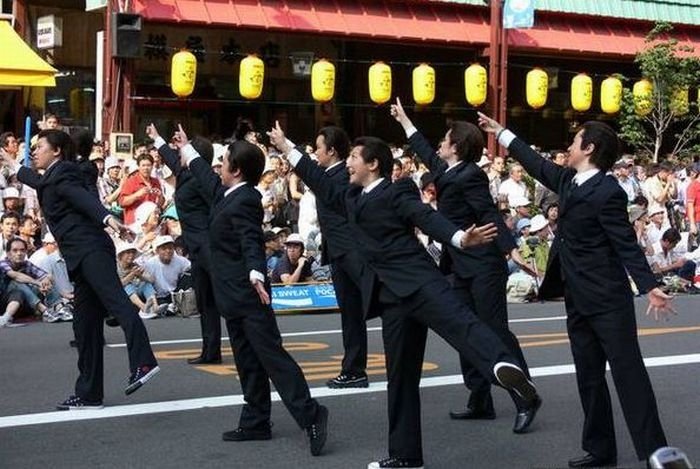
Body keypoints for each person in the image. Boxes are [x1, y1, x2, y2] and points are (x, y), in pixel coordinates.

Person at [271, 124, 540, 469]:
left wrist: (459, 238)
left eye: (353, 157)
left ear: (374, 164)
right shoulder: (351, 197)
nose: (347, 163)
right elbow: (318, 179)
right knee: (400, 378)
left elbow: (426, 219)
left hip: (420, 282)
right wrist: (286, 146)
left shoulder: (399, 192)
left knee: (463, 326)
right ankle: (405, 455)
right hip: (391, 298)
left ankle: (510, 376)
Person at [478, 113, 674, 468]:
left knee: (630, 376)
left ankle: (655, 453)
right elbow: (535, 163)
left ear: (590, 148)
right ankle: (600, 450)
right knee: (588, 376)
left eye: (574, 140)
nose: (568, 146)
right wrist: (502, 133)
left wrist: (650, 286)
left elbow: (624, 244)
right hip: (577, 296)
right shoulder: (569, 181)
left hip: (608, 300)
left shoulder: (608, 191)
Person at [176, 127, 329, 457]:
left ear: (237, 170)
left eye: (225, 161)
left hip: (248, 294)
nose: (219, 165)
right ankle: (256, 419)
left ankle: (312, 414)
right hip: (231, 295)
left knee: (272, 358)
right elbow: (203, 175)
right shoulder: (226, 193)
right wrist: (187, 148)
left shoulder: (246, 199)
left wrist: (257, 274)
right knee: (246, 360)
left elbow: (250, 241)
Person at [390, 98, 538, 433]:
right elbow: (426, 152)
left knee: (495, 331)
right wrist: (404, 122)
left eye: (444, 140)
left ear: (455, 146)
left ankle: (524, 396)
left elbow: (487, 212)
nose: (439, 144)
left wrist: (509, 249)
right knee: (463, 331)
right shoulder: (448, 171)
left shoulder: (470, 175)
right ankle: (480, 399)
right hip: (459, 265)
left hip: (483, 264)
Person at [1, 129, 159, 409]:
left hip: (91, 250)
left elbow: (84, 200)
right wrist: (14, 165)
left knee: (118, 303)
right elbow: (37, 181)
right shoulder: (52, 176)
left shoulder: (64, 174)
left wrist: (109, 219)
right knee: (84, 326)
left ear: (58, 151)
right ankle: (88, 394)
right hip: (80, 256)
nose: (34, 151)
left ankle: (144, 362)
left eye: (40, 147)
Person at [147, 124, 222, 365]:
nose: (178, 155)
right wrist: (157, 138)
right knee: (204, 301)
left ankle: (247, 345)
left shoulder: (203, 180)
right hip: (196, 249)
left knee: (224, 299)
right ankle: (211, 350)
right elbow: (171, 159)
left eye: (183, 151)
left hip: (209, 245)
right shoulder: (186, 172)